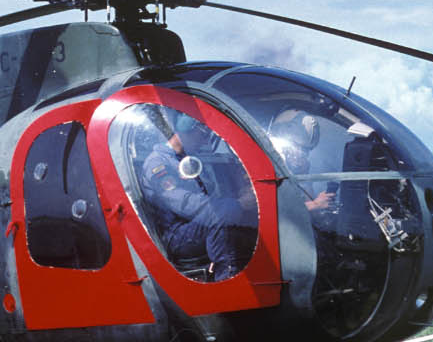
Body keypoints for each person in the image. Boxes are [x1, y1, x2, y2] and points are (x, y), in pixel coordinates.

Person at [138, 121, 254, 281]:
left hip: (196, 224)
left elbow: (209, 194)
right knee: (220, 217)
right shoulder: (158, 163)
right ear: (185, 132)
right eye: (203, 135)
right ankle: (227, 280)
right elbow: (183, 203)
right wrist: (237, 204)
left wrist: (240, 196)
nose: (205, 141)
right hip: (176, 234)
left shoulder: (190, 159)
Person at [268, 108, 335, 211]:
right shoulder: (267, 161)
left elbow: (306, 203)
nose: (300, 154)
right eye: (296, 147)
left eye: (305, 150)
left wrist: (303, 178)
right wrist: (315, 204)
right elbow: (273, 210)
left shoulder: (296, 166)